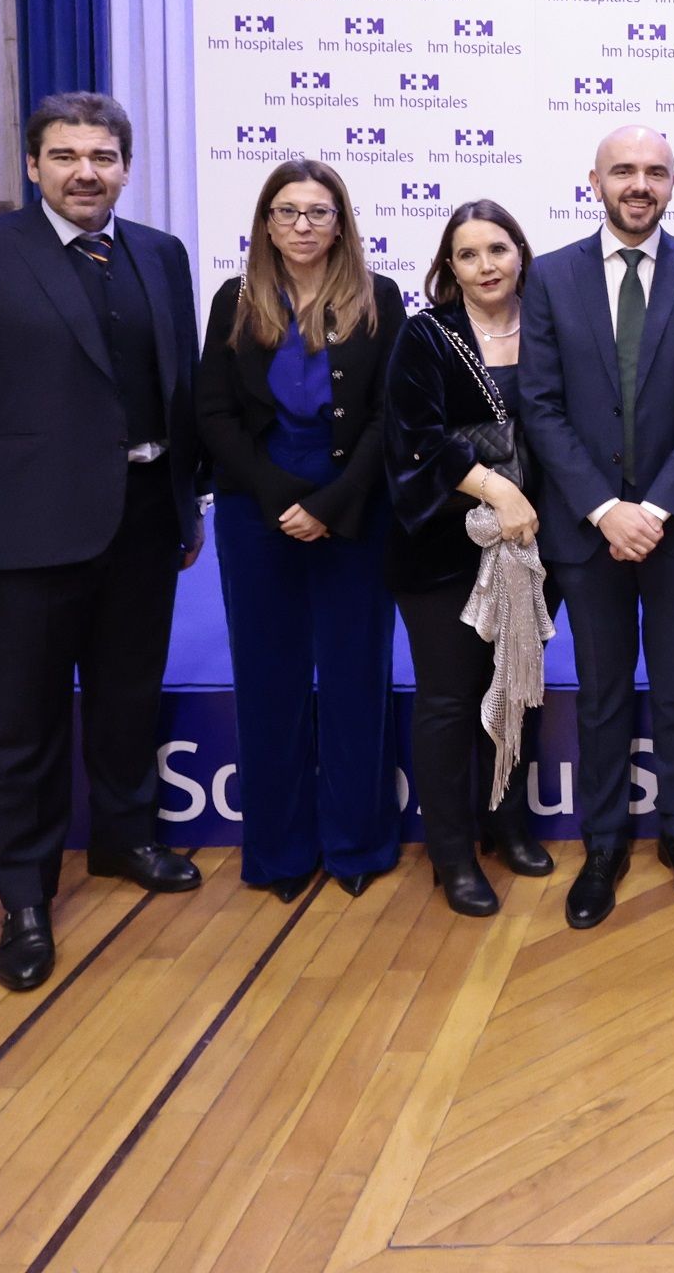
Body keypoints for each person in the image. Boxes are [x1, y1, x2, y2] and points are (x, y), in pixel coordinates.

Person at [0, 93, 206, 993]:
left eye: (104, 156)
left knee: (126, 701)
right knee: (22, 726)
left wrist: (186, 509)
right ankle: (25, 897)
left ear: (125, 166)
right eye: (67, 155)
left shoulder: (160, 253)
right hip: (24, 539)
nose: (86, 172)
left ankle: (123, 840)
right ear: (33, 165)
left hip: (146, 524)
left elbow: (175, 387)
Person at [521, 124, 674, 930]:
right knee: (604, 693)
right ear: (595, 181)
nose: (639, 184)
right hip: (586, 530)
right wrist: (604, 508)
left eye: (655, 171)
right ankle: (605, 843)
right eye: (624, 171)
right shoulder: (548, 277)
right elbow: (539, 406)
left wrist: (652, 509)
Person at [197, 161, 404, 903]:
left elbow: (392, 415)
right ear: (265, 223)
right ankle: (280, 853)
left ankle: (358, 845)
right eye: (287, 212)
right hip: (259, 512)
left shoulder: (378, 299)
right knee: (268, 683)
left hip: (355, 515)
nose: (303, 226)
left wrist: (334, 504)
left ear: (342, 222)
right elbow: (214, 415)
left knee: (356, 680)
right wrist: (282, 495)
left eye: (318, 212)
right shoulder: (234, 299)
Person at [384, 200, 555, 916]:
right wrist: (497, 491)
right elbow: (412, 435)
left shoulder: (552, 329)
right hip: (443, 550)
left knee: (516, 684)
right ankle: (452, 853)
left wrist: (526, 511)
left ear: (520, 253)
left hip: (533, 545)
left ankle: (506, 822)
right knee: (450, 700)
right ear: (448, 267)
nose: (485, 266)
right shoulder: (426, 336)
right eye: (468, 254)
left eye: (497, 249)